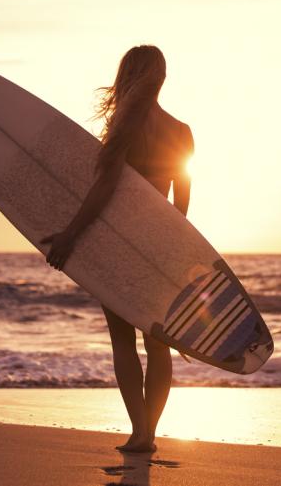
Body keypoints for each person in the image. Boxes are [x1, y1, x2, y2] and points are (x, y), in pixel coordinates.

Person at [40, 45, 194, 453]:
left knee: (123, 342)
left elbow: (105, 189)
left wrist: (71, 234)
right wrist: (176, 256)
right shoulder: (181, 132)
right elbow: (181, 208)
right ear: (161, 78)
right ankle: (151, 434)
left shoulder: (124, 126)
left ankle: (139, 431)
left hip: (116, 242)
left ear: (127, 76)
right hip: (159, 244)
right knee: (158, 343)